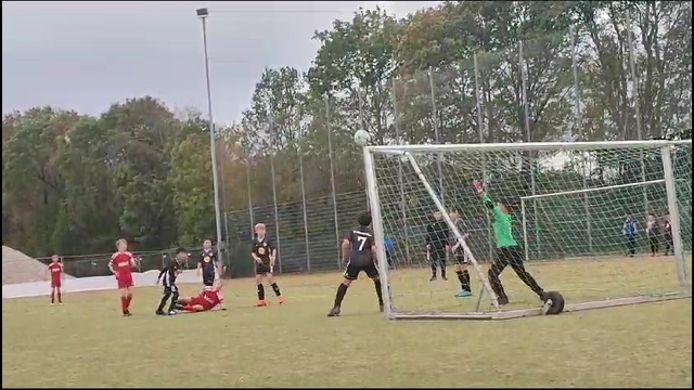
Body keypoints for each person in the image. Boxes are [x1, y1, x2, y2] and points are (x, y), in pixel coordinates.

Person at [473, 180, 546, 305]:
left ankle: (502, 298)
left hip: (505, 249)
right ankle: (541, 293)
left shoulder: (501, 216)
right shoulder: (507, 217)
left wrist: (481, 192)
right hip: (514, 248)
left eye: (499, 204)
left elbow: (489, 205)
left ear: (504, 207)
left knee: (492, 274)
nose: (497, 205)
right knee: (522, 274)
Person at [328, 212, 384, 317]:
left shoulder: (352, 231)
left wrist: (345, 258)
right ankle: (382, 303)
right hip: (368, 261)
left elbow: (345, 244)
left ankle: (336, 307)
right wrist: (377, 262)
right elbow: (373, 249)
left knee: (346, 282)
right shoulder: (371, 233)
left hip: (355, 260)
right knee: (377, 279)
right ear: (370, 222)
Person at [252, 223, 285, 307]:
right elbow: (252, 252)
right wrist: (256, 258)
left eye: (262, 230)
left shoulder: (268, 240)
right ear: (256, 231)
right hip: (259, 263)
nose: (261, 231)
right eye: (259, 230)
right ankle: (261, 300)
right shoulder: (254, 241)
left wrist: (273, 258)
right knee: (258, 280)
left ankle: (280, 297)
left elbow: (273, 249)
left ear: (265, 231)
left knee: (270, 279)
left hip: (267, 261)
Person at [108, 239, 137, 316]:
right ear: (118, 246)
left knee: (130, 294)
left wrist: (133, 263)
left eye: (125, 245)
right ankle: (125, 311)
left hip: (128, 275)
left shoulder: (129, 254)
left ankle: (126, 308)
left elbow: (133, 263)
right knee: (123, 294)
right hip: (121, 276)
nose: (124, 246)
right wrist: (115, 272)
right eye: (122, 245)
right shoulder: (115, 255)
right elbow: (110, 265)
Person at [155, 247, 187, 315]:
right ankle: (171, 310)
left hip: (172, 281)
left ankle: (159, 310)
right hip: (168, 281)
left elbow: (177, 271)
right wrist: (159, 278)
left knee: (168, 294)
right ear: (177, 255)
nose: (183, 256)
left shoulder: (182, 263)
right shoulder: (173, 262)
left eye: (184, 254)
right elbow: (165, 269)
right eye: (182, 254)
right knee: (175, 293)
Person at [449, 208, 472, 298]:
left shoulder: (460, 222)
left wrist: (457, 245)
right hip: (458, 249)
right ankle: (463, 288)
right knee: (457, 268)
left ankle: (467, 289)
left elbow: (465, 234)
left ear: (456, 212)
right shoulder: (455, 224)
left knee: (463, 267)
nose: (450, 214)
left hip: (463, 248)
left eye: (451, 212)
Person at [426, 210, 450, 281]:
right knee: (433, 260)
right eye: (436, 214)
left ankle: (443, 275)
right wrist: (427, 243)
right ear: (433, 214)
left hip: (442, 244)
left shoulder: (444, 224)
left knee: (443, 260)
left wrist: (447, 244)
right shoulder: (430, 224)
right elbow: (428, 235)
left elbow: (447, 234)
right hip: (433, 244)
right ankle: (434, 275)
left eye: (439, 214)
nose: (438, 215)